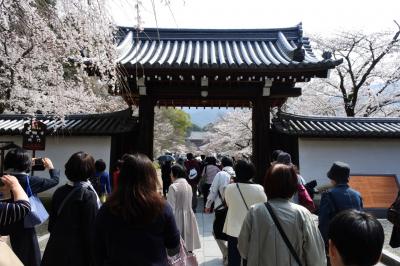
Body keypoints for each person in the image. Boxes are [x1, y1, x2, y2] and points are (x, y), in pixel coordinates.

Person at [93, 153, 180, 266]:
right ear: (151, 177)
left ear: (122, 177)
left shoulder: (107, 208)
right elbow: (173, 246)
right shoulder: (162, 207)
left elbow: (97, 247)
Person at [238, 163, 326, 266]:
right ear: (293, 186)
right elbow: (316, 256)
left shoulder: (254, 211)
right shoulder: (302, 213)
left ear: (267, 184)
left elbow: (243, 248)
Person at [41, 151, 100, 266]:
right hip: (77, 254)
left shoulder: (59, 191)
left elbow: (51, 225)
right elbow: (90, 231)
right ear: (90, 171)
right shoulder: (88, 195)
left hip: (55, 250)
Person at [3, 147, 59, 266]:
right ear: (26, 164)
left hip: (3, 225)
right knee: (28, 259)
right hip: (24, 226)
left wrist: (24, 164)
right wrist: (50, 167)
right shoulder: (31, 180)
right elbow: (54, 180)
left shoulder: (3, 179)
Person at [223, 160, 267, 266]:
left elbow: (228, 204)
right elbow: (263, 207)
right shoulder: (260, 189)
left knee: (234, 258)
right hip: (252, 229)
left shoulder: (229, 188)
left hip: (234, 228)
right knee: (250, 258)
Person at [318, 162, 363, 247]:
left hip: (337, 242)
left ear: (333, 178)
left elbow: (324, 223)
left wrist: (325, 244)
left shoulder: (328, 195)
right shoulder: (357, 194)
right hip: (356, 240)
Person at [204, 156, 236, 266]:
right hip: (234, 208)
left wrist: (208, 205)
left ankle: (226, 253)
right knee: (232, 233)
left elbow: (213, 191)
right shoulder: (237, 173)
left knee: (216, 231)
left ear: (222, 165)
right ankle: (230, 255)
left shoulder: (220, 174)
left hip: (221, 208)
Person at [167, 164, 201, 252]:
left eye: (171, 173)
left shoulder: (173, 187)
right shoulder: (188, 186)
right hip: (189, 217)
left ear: (176, 174)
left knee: (178, 248)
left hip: (176, 219)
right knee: (188, 245)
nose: (170, 175)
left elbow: (170, 208)